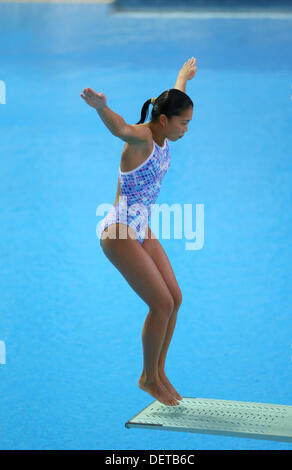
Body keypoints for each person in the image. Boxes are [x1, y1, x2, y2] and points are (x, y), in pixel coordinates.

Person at [81, 58, 197, 406]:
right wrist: (102, 107)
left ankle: (158, 373)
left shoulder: (164, 126)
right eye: (184, 123)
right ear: (164, 120)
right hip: (119, 233)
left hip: (141, 226)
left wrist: (182, 77)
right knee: (160, 303)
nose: (186, 130)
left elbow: (175, 97)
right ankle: (147, 377)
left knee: (175, 299)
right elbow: (119, 128)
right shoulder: (142, 139)